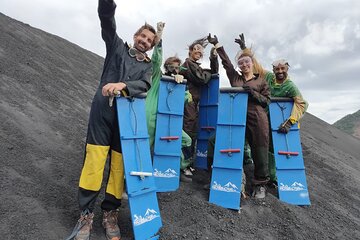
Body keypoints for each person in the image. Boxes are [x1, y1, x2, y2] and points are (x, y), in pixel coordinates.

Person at [66, 1, 157, 239]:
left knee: (118, 166)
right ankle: (86, 215)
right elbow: (107, 20)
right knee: (94, 162)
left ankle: (110, 213)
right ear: (136, 35)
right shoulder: (116, 46)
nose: (145, 41)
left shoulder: (146, 68)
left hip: (127, 120)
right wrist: (107, 3)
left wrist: (123, 85)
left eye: (149, 41)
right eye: (143, 36)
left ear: (150, 47)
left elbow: (144, 85)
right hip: (102, 113)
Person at [235, 34, 308, 187]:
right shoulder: (268, 77)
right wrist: (244, 48)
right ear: (274, 69)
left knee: (277, 149)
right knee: (264, 148)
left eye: (283, 68)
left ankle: (276, 179)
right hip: (263, 119)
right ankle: (264, 174)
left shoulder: (290, 86)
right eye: (277, 68)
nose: (280, 71)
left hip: (282, 122)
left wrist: (290, 122)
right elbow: (255, 65)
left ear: (287, 69)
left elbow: (302, 104)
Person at [207, 33, 270, 199]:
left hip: (257, 119)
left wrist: (254, 94)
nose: (244, 65)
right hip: (236, 118)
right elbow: (227, 64)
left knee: (260, 150)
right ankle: (219, 175)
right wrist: (218, 45)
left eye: (246, 62)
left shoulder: (261, 80)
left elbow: (267, 101)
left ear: (252, 63)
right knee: (222, 142)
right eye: (241, 63)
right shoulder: (235, 78)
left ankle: (260, 184)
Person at [144, 24, 193, 182]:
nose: (175, 69)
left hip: (168, 122)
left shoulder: (179, 83)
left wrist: (179, 87)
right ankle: (134, 179)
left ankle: (180, 166)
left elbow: (188, 98)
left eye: (177, 67)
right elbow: (156, 60)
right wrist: (159, 36)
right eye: (172, 66)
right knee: (144, 147)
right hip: (152, 117)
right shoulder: (158, 77)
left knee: (185, 140)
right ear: (166, 67)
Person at [180, 37, 219, 177]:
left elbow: (213, 72)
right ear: (190, 51)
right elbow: (201, 78)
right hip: (187, 101)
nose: (198, 51)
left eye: (200, 50)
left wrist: (213, 57)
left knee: (193, 133)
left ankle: (188, 163)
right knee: (188, 131)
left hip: (194, 103)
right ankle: (183, 166)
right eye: (195, 48)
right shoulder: (188, 63)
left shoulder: (196, 66)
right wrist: (206, 73)